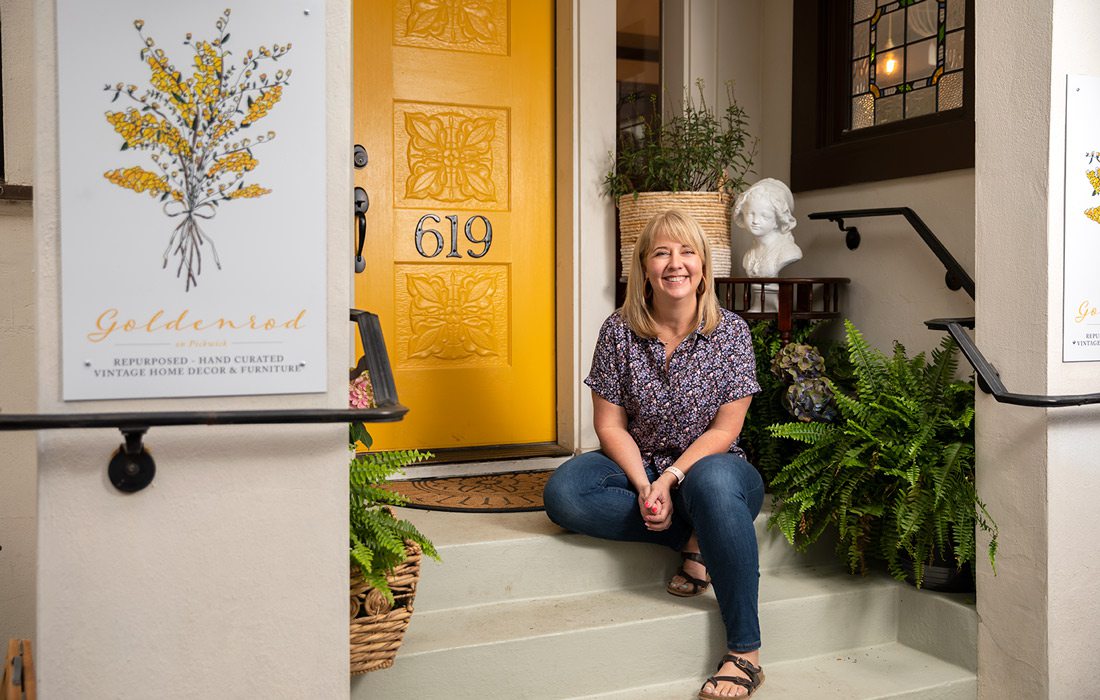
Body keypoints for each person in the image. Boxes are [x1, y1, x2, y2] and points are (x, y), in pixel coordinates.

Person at [543, 209, 765, 699]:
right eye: (661, 252)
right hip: (640, 462)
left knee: (710, 483)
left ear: (704, 266)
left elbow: (726, 430)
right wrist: (646, 484)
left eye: (687, 252)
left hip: (716, 472)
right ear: (643, 267)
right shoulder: (618, 331)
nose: (675, 263)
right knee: (566, 493)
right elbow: (609, 425)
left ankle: (745, 652)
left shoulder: (731, 333)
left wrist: (672, 478)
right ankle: (691, 539)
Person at [734, 177, 802, 278]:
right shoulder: (750, 255)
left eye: (765, 216)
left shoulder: (789, 252)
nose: (755, 221)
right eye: (750, 214)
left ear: (778, 220)